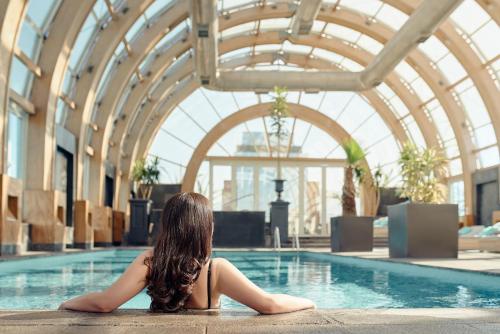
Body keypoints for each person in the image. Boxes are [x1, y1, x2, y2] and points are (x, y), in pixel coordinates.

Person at [59, 192, 315, 314]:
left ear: (168, 225)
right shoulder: (216, 269)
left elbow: (104, 302)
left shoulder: (151, 260)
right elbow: (269, 304)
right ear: (205, 227)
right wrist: (309, 302)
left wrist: (66, 303)